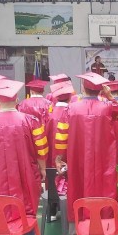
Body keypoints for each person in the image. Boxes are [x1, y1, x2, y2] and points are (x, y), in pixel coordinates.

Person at [54, 72, 118, 235]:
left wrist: (58, 157)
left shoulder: (70, 109)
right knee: (105, 193)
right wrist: (110, 97)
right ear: (100, 90)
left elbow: (61, 136)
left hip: (78, 162)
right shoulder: (108, 108)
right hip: (104, 163)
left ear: (83, 88)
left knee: (76, 194)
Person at [0, 79, 47, 235]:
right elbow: (41, 148)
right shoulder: (31, 121)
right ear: (17, 99)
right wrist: (42, 169)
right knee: (24, 204)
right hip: (24, 173)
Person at [45, 81, 74, 222]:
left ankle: (51, 210)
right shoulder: (73, 113)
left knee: (53, 179)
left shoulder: (49, 115)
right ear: (70, 97)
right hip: (70, 155)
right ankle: (71, 212)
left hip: (52, 156)